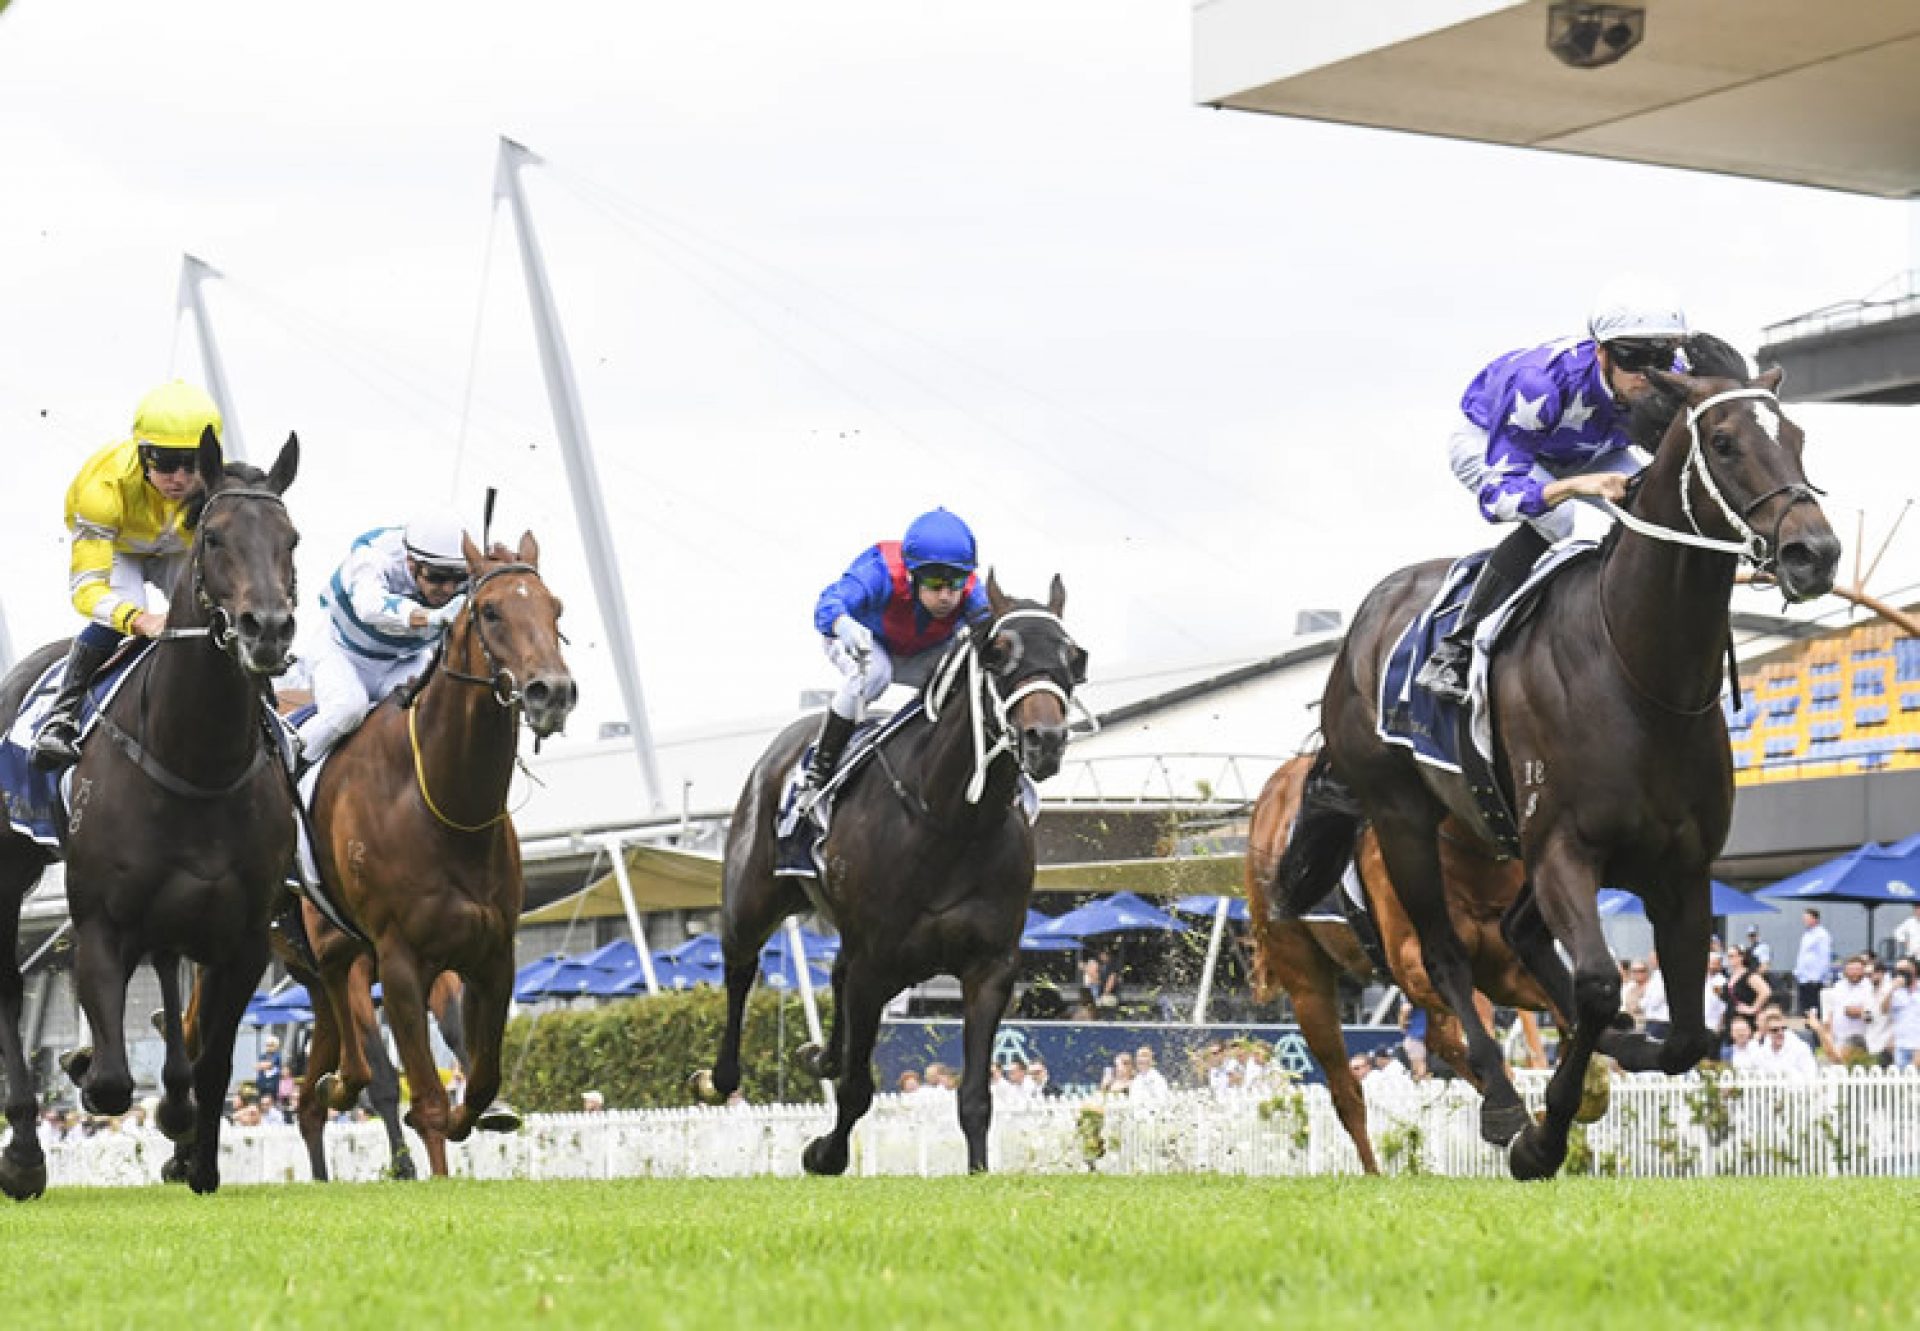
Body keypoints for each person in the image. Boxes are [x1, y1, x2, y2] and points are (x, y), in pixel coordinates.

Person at [1415, 276, 1687, 703]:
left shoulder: (1673, 377)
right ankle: (1455, 648)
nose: (1650, 375)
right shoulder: (1536, 385)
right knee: (1558, 519)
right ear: (1601, 352)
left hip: (1590, 448)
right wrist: (1579, 485)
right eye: (1634, 358)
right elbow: (1499, 500)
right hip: (1493, 443)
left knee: (1653, 506)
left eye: (1663, 356)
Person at [31, 380, 226, 767]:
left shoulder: (217, 488)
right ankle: (61, 714)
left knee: (219, 609)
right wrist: (137, 619)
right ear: (142, 454)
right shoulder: (102, 488)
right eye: (165, 462)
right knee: (125, 608)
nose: (180, 478)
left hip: (173, 548)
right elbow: (88, 590)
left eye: (192, 463)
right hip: (119, 545)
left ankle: (264, 704)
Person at [796, 508, 990, 799]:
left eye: (956, 584)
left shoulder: (973, 592)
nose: (947, 597)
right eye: (936, 584)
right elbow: (828, 603)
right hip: (863, 642)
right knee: (877, 673)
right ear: (912, 575)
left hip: (922, 653)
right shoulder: (880, 570)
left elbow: (991, 637)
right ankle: (817, 771)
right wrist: (843, 624)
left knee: (966, 677)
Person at [293, 510, 471, 770]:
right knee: (348, 708)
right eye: (437, 577)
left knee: (440, 717)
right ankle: (287, 766)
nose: (448, 589)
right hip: (341, 652)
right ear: (411, 562)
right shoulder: (373, 554)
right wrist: (431, 617)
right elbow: (369, 606)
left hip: (404, 662)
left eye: (459, 579)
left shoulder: (461, 568)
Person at [1822, 953, 1877, 1050]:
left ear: (1863, 970)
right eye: (1851, 970)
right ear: (1845, 971)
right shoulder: (1838, 986)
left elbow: (1870, 1013)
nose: (1854, 973)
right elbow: (1832, 1012)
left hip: (1863, 1040)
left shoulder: (1870, 987)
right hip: (1839, 1039)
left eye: (1857, 970)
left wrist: (1858, 1011)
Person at [1748, 1011, 1818, 1078]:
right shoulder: (1762, 1051)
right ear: (1766, 1032)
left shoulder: (1800, 1048)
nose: (1780, 1033)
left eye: (1784, 1028)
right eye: (1775, 1030)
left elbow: (1811, 1075)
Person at [1792, 908, 1833, 1015]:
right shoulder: (1807, 934)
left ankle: (1815, 1029)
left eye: (1807, 918)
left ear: (1815, 919)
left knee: (1814, 1008)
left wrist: (1818, 977)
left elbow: (1824, 957)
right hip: (1804, 977)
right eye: (1804, 918)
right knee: (1806, 1009)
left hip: (1814, 979)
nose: (1804, 920)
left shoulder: (1822, 935)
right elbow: (1803, 955)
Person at [1883, 961, 1920, 1070]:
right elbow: (1884, 1010)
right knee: (1902, 1080)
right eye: (1899, 970)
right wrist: (1892, 989)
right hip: (1900, 1044)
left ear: (1914, 969)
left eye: (1905, 969)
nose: (1902, 972)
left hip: (1917, 1043)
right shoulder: (1895, 991)